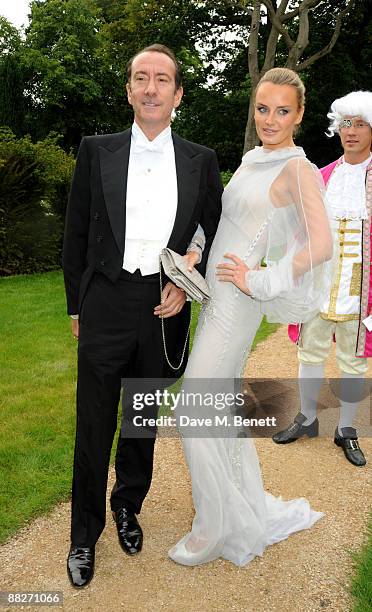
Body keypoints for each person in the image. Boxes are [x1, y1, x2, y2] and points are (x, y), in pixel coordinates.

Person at [63, 44, 223, 587]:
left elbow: (208, 228)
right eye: (140, 78)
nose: (150, 88)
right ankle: (82, 535)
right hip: (105, 302)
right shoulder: (95, 150)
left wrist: (185, 277)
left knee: (142, 420)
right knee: (94, 423)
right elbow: (76, 235)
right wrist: (75, 306)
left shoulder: (201, 160)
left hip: (164, 306)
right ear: (129, 89)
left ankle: (127, 506)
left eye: (162, 79)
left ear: (178, 94)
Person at [167, 67, 333, 567]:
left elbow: (321, 245)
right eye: (263, 108)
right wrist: (197, 252)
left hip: (238, 302)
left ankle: (215, 526)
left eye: (283, 110)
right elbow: (227, 223)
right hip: (214, 296)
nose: (271, 119)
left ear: (300, 115)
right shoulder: (253, 160)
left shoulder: (298, 170)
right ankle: (234, 508)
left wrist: (261, 279)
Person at [273, 91, 372, 467]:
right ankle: (307, 418)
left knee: (353, 360)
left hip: (360, 289)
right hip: (321, 282)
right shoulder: (323, 176)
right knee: (310, 352)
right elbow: (301, 231)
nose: (351, 131)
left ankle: (346, 429)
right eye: (345, 123)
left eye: (360, 123)